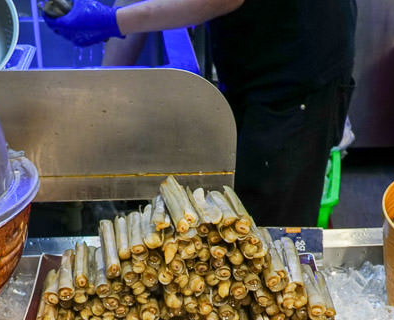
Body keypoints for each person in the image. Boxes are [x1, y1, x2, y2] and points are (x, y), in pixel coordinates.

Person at [44, 0, 356, 230]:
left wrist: (113, 22)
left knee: (270, 230)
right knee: (243, 211)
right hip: (254, 58)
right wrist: (101, 89)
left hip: (298, 70)